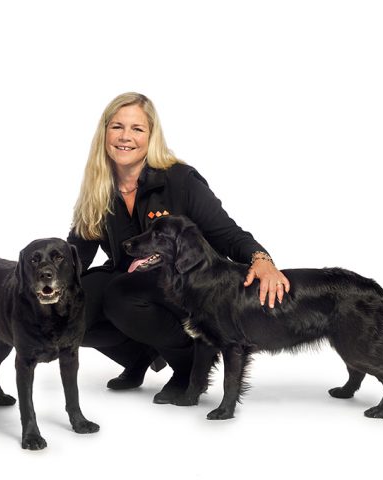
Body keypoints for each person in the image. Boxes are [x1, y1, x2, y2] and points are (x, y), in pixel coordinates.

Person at [67, 92, 291, 404]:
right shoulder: (98, 187)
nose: (125, 137)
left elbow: (227, 234)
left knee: (121, 296)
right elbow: (74, 256)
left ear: (151, 136)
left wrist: (261, 258)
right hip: (130, 281)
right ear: (104, 132)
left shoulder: (180, 179)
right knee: (68, 309)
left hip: (186, 287)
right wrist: (26, 278)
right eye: (117, 127)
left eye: (137, 129)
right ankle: (139, 357)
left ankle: (188, 366)